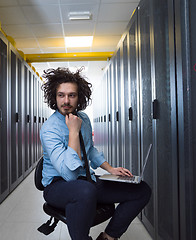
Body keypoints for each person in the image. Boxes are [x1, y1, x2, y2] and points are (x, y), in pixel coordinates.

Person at [40, 67, 151, 240]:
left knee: (141, 190)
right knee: (84, 190)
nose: (66, 101)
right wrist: (73, 133)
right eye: (61, 95)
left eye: (72, 95)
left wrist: (110, 169)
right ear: (54, 97)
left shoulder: (83, 118)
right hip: (57, 186)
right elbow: (69, 175)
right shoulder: (49, 129)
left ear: (80, 97)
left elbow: (89, 149)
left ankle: (108, 237)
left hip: (86, 181)